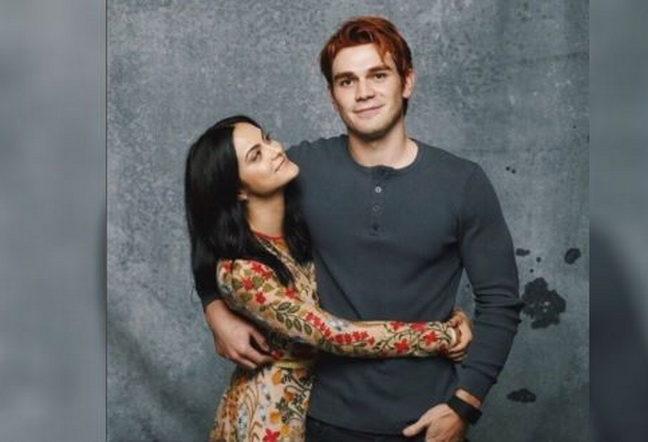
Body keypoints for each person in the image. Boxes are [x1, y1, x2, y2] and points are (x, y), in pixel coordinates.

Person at [201, 16, 524, 442]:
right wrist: (215, 308)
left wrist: (465, 405)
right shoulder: (300, 169)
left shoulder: (463, 182)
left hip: (429, 419)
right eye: (346, 81)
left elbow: (500, 301)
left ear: (407, 82)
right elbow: (217, 214)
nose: (364, 92)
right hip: (323, 420)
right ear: (333, 96)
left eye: (378, 75)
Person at [185, 115, 472, 441]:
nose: (276, 149)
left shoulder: (298, 231)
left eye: (267, 138)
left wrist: (445, 311)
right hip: (269, 418)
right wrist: (442, 335)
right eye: (256, 155)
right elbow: (334, 334)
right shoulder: (242, 270)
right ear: (237, 190)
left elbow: (359, 283)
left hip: (323, 405)